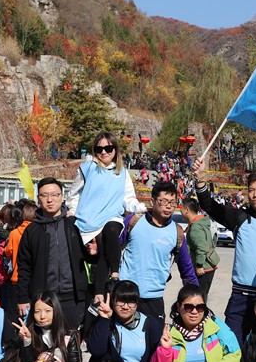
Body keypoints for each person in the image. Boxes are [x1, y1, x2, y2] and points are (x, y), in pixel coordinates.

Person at [192, 157, 256, 340]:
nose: (255, 195)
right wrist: (200, 178)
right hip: (240, 295)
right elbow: (210, 206)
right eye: (251, 190)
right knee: (232, 345)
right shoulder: (240, 218)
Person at [66, 132, 147, 297]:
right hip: (90, 217)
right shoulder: (87, 168)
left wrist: (137, 207)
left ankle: (115, 273)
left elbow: (128, 198)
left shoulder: (122, 172)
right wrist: (72, 211)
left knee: (111, 230)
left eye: (108, 148)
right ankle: (96, 292)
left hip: (112, 214)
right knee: (99, 251)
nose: (104, 152)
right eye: (99, 149)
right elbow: (74, 193)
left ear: (115, 150)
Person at [16, 178, 97, 330]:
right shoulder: (32, 230)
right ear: (38, 198)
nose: (50, 199)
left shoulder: (75, 225)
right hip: (44, 300)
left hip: (74, 298)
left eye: (55, 195)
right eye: (44, 195)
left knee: (72, 340)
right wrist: (22, 298)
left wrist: (93, 253)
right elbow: (24, 267)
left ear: (62, 196)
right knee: (44, 342)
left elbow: (89, 257)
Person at [118, 181, 198, 322]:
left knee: (156, 335)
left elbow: (187, 269)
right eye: (164, 201)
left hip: (154, 299)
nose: (169, 206)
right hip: (126, 295)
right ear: (152, 201)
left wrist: (196, 297)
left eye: (173, 202)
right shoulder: (134, 221)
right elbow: (114, 247)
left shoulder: (177, 232)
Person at [181, 197, 219, 298]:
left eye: (181, 208)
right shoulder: (199, 223)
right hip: (207, 265)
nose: (180, 210)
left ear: (187, 210)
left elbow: (201, 247)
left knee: (197, 297)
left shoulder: (196, 227)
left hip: (203, 268)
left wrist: (199, 265)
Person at [4, 200, 36, 311]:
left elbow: (8, 252)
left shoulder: (14, 233)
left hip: (17, 276)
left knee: (17, 312)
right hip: (34, 277)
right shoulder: (38, 232)